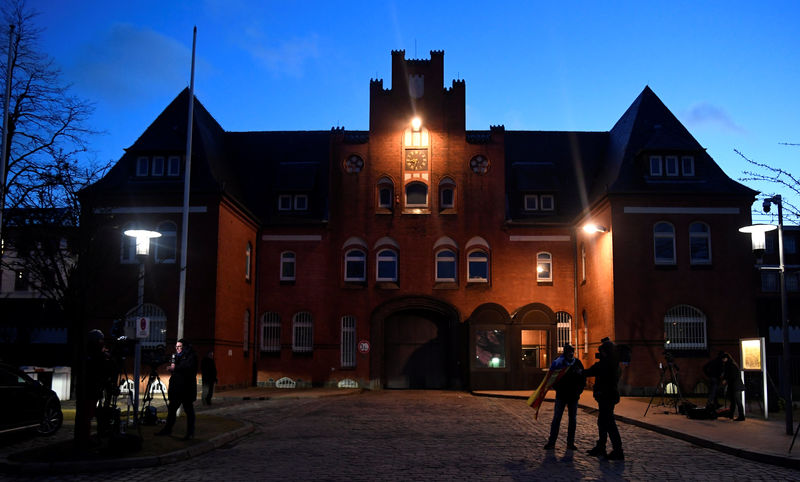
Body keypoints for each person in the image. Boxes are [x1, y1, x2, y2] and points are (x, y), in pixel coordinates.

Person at [584, 337, 624, 460]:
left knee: (609, 423)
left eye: (602, 351)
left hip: (606, 396)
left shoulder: (606, 364)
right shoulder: (614, 363)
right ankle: (601, 447)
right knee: (602, 422)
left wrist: (579, 372)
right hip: (608, 396)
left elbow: (591, 371)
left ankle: (618, 450)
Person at [76, 329, 113, 448]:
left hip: (90, 388)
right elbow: (100, 369)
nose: (102, 342)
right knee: (87, 415)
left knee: (87, 415)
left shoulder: (90, 353)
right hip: (90, 389)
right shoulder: (95, 355)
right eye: (100, 340)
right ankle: (85, 439)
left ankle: (84, 438)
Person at [543, 343, 585, 450]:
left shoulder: (577, 363)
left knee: (572, 420)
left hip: (573, 396)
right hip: (561, 396)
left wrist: (578, 391)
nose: (571, 354)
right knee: (557, 419)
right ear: (565, 352)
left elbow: (582, 379)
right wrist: (558, 389)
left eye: (572, 351)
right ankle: (552, 442)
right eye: (569, 352)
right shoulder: (559, 363)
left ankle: (570, 443)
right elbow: (553, 378)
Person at [157, 339, 198, 439]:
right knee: (172, 410)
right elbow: (176, 371)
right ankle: (167, 429)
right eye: (176, 346)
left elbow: (188, 368)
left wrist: (175, 368)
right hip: (176, 389)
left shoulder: (191, 356)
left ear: (185, 347)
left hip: (186, 389)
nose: (177, 348)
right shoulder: (176, 356)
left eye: (180, 346)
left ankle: (190, 433)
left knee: (189, 410)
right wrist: (172, 367)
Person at [721, 352, 745, 421]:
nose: (723, 360)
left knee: (737, 401)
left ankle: (741, 416)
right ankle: (731, 415)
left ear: (726, 358)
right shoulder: (731, 365)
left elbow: (731, 375)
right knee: (733, 401)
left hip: (735, 386)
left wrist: (726, 380)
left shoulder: (730, 365)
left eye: (724, 359)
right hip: (734, 385)